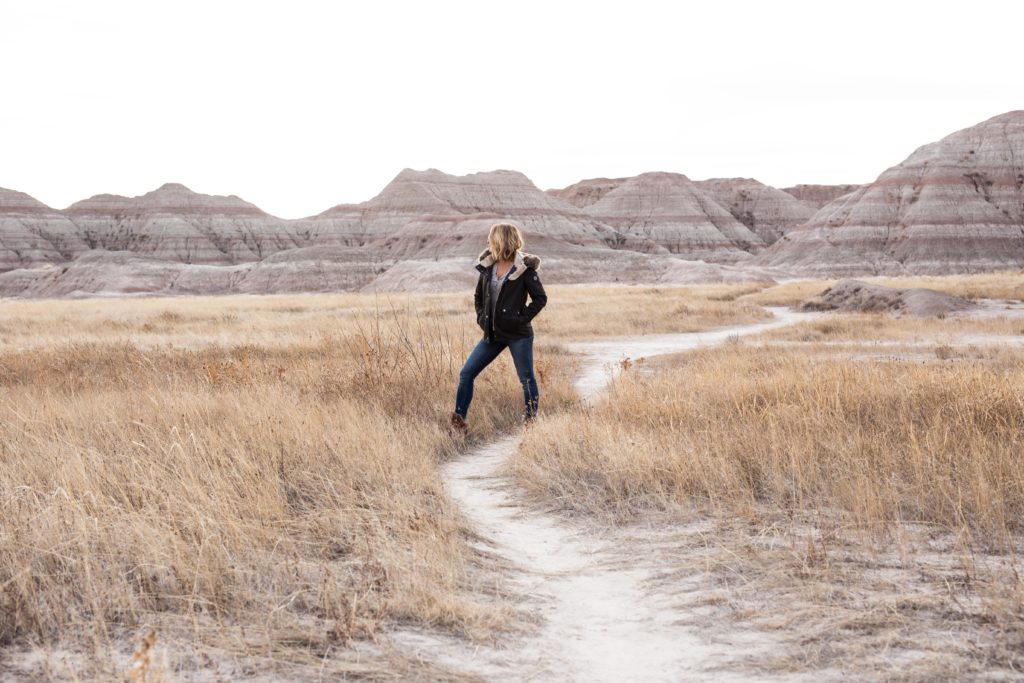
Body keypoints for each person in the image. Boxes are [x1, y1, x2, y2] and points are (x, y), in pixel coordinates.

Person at [449, 222, 547, 437]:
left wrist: (520, 319)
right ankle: (458, 423)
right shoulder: (487, 266)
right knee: (466, 373)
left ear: (501, 240)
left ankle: (530, 425)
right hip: (492, 334)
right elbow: (478, 297)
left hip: (518, 335)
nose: (488, 241)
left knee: (527, 380)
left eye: (491, 237)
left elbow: (540, 298)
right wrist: (481, 319)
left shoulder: (524, 267)